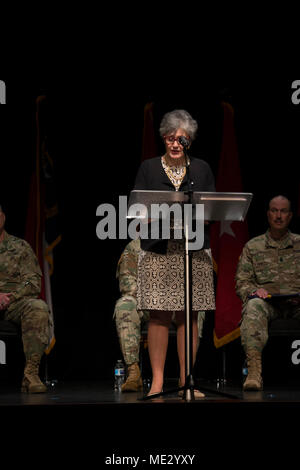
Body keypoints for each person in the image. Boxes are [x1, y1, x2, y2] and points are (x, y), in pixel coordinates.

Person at [133, 109, 215, 396]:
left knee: (188, 316)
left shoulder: (201, 169)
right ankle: (156, 382)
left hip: (193, 249)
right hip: (159, 251)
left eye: (182, 139)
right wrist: (166, 215)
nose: (176, 144)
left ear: (189, 140)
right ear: (163, 139)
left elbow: (208, 213)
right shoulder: (149, 168)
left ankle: (185, 381)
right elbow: (139, 212)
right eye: (170, 138)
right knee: (159, 316)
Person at [114, 238, 206, 393]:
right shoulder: (136, 246)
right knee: (125, 304)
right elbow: (127, 283)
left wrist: (172, 299)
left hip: (177, 302)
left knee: (194, 307)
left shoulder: (187, 241)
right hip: (147, 302)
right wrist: (155, 297)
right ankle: (133, 371)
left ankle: (186, 377)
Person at [235, 195, 300, 391]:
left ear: (290, 216)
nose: (278, 216)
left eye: (283, 211)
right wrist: (255, 290)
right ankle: (254, 372)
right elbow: (241, 282)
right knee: (254, 306)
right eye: (274, 211)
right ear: (268, 214)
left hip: (297, 303)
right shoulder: (253, 246)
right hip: (268, 304)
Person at [0, 204, 51, 393]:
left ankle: (31, 375)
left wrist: (8, 298)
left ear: (3, 218)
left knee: (38, 307)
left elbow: (32, 282)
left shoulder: (20, 247)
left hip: (14, 305)